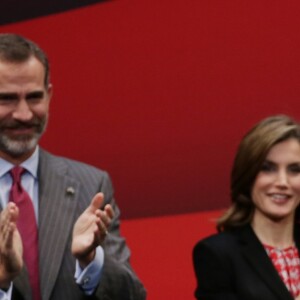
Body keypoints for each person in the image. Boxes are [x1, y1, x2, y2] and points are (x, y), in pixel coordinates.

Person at [0, 33, 146, 300]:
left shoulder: (91, 186)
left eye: (34, 97)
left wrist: (91, 262)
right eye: (7, 99)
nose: (23, 114)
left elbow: (132, 295)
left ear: (49, 95)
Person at [193, 115, 300, 300]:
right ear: (248, 175)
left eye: (295, 170)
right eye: (267, 168)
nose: (282, 182)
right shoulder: (217, 255)